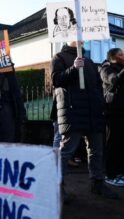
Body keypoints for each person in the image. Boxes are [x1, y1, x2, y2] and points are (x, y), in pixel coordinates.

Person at [51, 41, 118, 201]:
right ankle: (56, 186)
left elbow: (97, 85)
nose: (81, 38)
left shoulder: (88, 61)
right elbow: (56, 80)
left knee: (96, 150)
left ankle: (97, 183)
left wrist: (100, 103)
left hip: (92, 112)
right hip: (73, 111)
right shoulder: (59, 57)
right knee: (66, 151)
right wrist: (73, 69)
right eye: (77, 35)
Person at [100, 48, 124, 186]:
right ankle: (110, 174)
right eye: (121, 54)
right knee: (113, 144)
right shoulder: (106, 69)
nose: (123, 55)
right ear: (113, 57)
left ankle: (120, 172)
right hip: (113, 113)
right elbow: (114, 80)